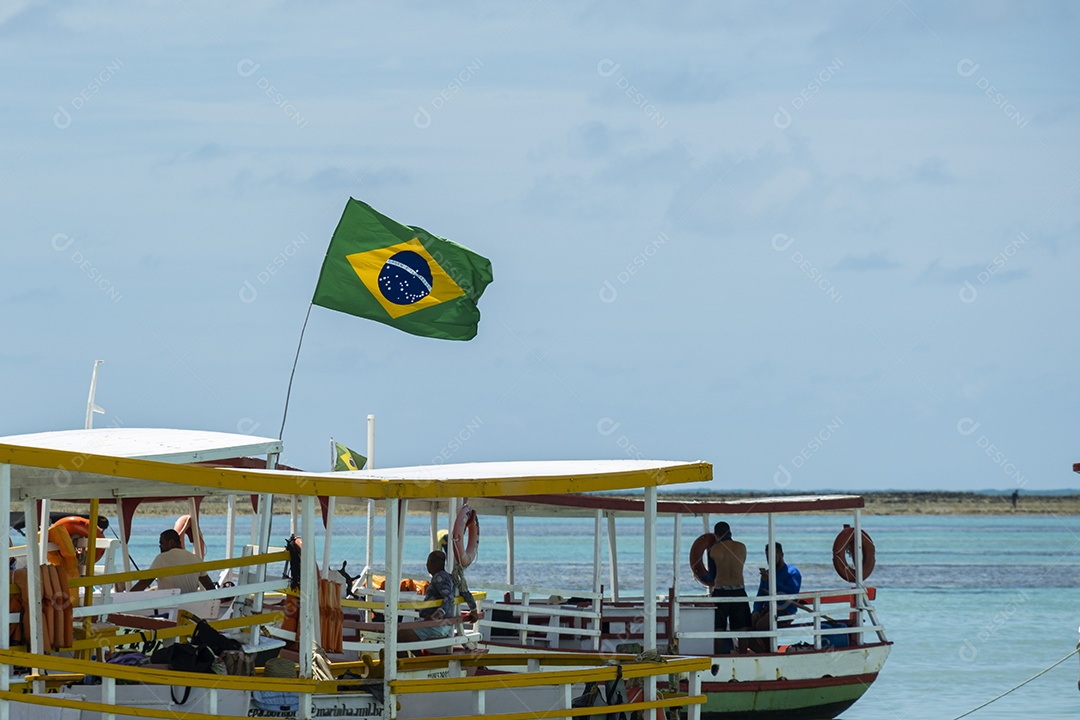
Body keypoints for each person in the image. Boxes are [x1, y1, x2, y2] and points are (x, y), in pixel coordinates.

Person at [399, 550, 478, 644]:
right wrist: (474, 610)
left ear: (432, 563)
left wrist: (435, 616)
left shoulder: (439, 578)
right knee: (404, 637)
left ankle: (419, 658)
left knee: (398, 636)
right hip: (443, 625)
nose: (426, 565)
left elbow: (449, 598)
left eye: (428, 562)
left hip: (435, 625)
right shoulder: (451, 577)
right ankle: (419, 657)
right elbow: (465, 592)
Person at [706, 521, 751, 654]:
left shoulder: (714, 550)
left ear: (716, 535)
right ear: (730, 532)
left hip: (721, 592)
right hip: (739, 590)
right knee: (743, 629)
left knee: (718, 629)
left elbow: (711, 577)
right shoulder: (742, 547)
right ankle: (743, 654)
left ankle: (719, 656)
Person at [749, 543, 802, 653]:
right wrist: (756, 610)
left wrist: (772, 581)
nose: (770, 560)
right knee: (746, 624)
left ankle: (769, 652)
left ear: (781, 555)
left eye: (774, 556)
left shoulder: (793, 573)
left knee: (761, 625)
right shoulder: (767, 574)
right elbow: (760, 594)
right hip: (768, 609)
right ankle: (762, 651)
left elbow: (791, 594)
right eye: (768, 557)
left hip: (786, 610)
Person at [131, 529, 215, 592]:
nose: (160, 546)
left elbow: (145, 582)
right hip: (192, 606)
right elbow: (209, 586)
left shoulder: (162, 558)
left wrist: (127, 596)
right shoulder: (196, 559)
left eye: (162, 543)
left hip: (170, 607)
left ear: (171, 542)